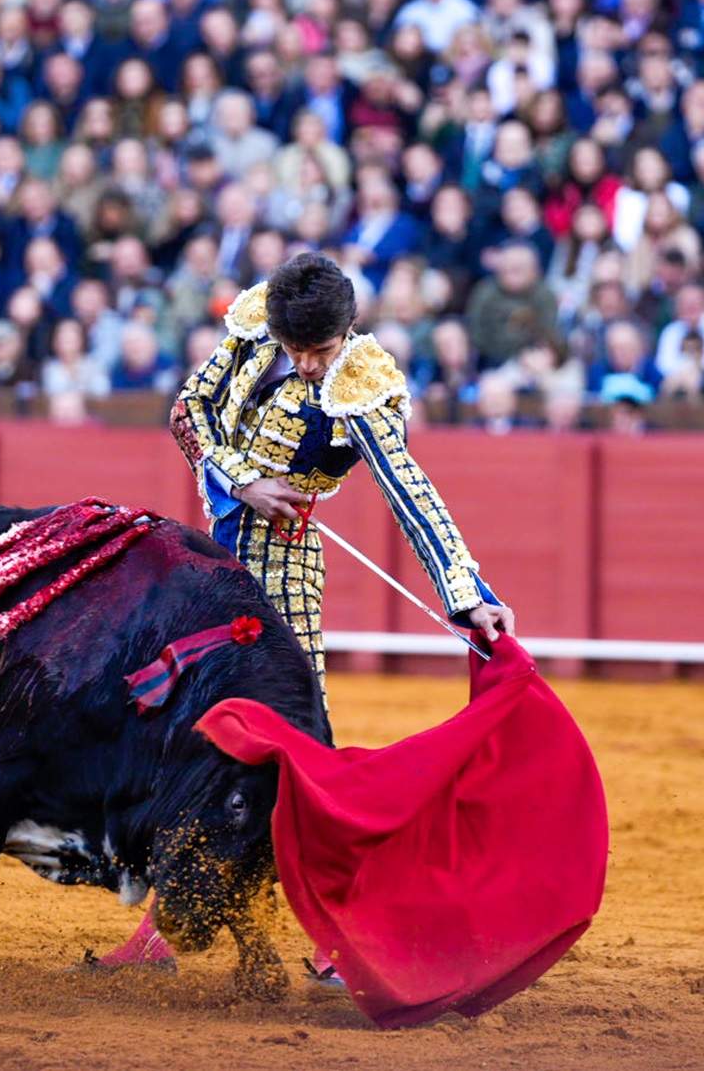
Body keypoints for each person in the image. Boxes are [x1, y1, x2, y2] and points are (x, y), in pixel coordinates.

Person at [104, 253, 517, 976]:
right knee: (186, 730)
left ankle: (335, 939)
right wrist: (244, 481)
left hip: (282, 572)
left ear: (348, 332)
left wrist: (468, 594)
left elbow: (411, 495)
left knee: (298, 751)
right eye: (293, 349)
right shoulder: (260, 325)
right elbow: (188, 411)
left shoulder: (364, 386)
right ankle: (174, 924)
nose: (303, 366)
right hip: (209, 564)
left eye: (318, 353)